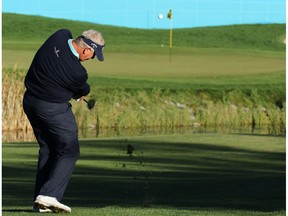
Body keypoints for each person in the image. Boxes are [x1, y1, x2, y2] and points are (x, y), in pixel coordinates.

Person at [23, 29, 105, 213]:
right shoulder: (78, 73)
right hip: (53, 110)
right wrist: (77, 92)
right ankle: (50, 195)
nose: (91, 59)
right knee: (69, 151)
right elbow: (82, 87)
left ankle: (40, 201)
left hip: (29, 102)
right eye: (93, 56)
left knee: (48, 149)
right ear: (87, 50)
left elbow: (58, 69)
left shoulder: (59, 35)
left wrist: (70, 90)